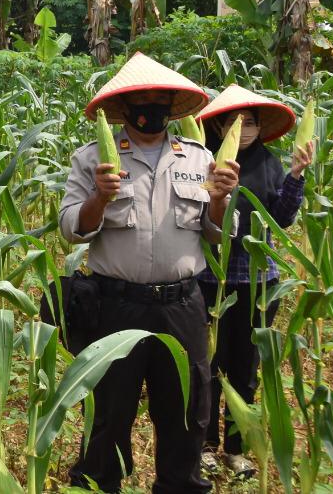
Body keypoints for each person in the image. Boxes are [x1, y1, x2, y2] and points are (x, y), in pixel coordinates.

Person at [60, 53, 239, 494]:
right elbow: (70, 230)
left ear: (173, 105)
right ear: (124, 106)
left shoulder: (198, 158)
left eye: (162, 98)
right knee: (108, 413)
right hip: (116, 305)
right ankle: (101, 484)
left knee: (186, 412)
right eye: (143, 97)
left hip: (181, 305)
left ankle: (180, 485)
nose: (152, 105)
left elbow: (219, 234)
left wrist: (219, 198)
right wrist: (99, 199)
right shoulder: (92, 161)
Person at [195, 85, 313, 480]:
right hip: (212, 276)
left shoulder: (269, 162)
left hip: (257, 282)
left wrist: (296, 174)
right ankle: (206, 446)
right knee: (208, 364)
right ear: (220, 126)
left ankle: (236, 448)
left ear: (261, 128)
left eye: (251, 121)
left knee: (245, 367)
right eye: (234, 121)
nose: (243, 129)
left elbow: (281, 216)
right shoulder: (204, 160)